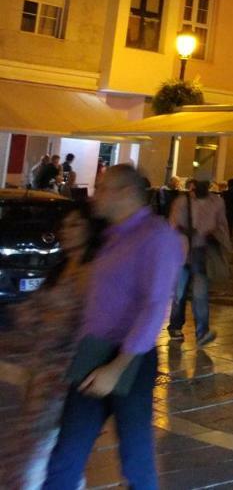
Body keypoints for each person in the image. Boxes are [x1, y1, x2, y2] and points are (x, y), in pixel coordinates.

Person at [42, 164, 186, 490]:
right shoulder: (109, 237)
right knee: (68, 451)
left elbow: (154, 306)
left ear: (124, 193)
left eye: (102, 187)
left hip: (130, 357)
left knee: (136, 458)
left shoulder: (157, 236)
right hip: (92, 351)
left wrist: (118, 366)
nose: (95, 194)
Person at [0, 201, 102, 488]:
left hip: (62, 372)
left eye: (75, 224)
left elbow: (86, 324)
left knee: (37, 449)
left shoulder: (91, 272)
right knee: (36, 447)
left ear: (90, 229)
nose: (66, 231)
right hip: (40, 366)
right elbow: (31, 316)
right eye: (64, 225)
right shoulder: (61, 268)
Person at [166, 178, 229, 348]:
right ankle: (176, 325)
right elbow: (173, 225)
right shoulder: (182, 202)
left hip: (202, 251)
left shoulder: (216, 203)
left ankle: (202, 331)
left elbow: (222, 225)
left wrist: (214, 234)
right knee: (180, 291)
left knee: (200, 294)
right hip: (183, 251)